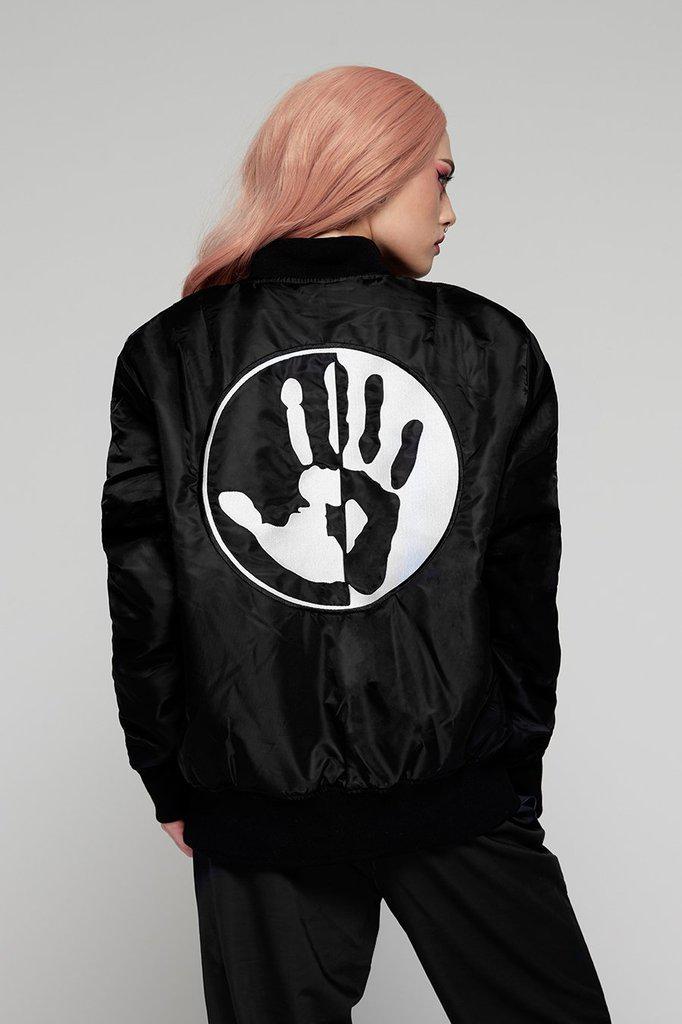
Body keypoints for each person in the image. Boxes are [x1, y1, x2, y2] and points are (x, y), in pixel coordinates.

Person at [101, 64, 612, 1023]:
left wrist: (170, 774)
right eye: (442, 176)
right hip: (454, 783)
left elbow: (145, 595)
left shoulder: (169, 354)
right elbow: (520, 590)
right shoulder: (490, 346)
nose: (452, 211)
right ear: (372, 168)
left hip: (253, 799)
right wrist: (513, 775)